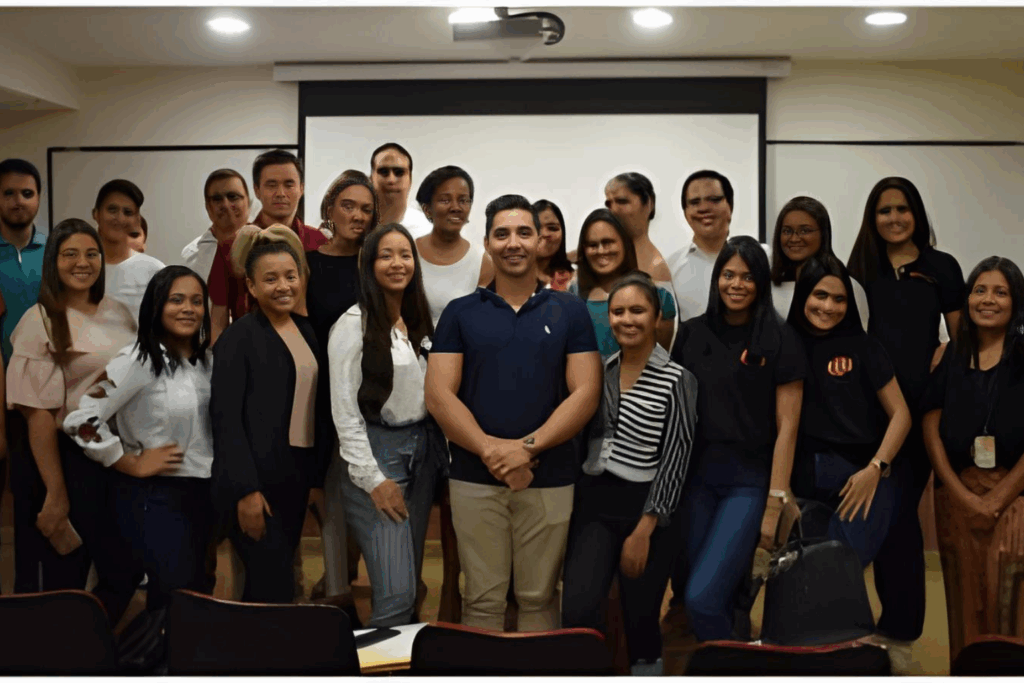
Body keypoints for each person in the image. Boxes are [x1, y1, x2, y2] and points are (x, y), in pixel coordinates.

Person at [425, 194, 602, 631]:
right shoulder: (460, 313)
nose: (513, 242)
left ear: (540, 239)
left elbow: (586, 392)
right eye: (502, 233)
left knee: (539, 596)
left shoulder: (570, 311)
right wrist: (491, 451)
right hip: (473, 476)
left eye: (524, 232)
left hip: (551, 476)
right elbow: (439, 395)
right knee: (482, 599)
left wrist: (527, 449)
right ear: (486, 242)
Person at [847, 176, 965, 643]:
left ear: (915, 213)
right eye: (883, 211)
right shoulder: (857, 269)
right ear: (871, 219)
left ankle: (901, 624)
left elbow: (962, 338)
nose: (893, 219)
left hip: (921, 412)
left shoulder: (942, 266)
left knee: (898, 515)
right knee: (872, 516)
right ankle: (863, 618)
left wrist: (945, 352)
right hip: (863, 412)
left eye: (902, 209)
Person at [561, 271, 698, 676]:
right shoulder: (600, 372)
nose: (626, 320)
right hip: (595, 502)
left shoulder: (679, 380)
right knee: (580, 610)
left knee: (641, 618)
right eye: (618, 312)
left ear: (657, 316)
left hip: (647, 511)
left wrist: (645, 530)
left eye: (637, 310)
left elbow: (676, 459)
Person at [670, 235, 806, 642]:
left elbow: (788, 428)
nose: (736, 284)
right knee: (713, 595)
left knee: (702, 599)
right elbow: (676, 414)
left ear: (760, 283)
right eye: (728, 274)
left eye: (747, 277)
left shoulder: (780, 338)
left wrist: (775, 502)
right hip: (694, 484)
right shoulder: (691, 334)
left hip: (747, 484)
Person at [6, 218, 140, 624]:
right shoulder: (40, 320)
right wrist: (56, 492)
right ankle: (59, 655)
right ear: (53, 262)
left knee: (125, 567)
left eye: (91, 253)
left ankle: (86, 642)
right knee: (68, 574)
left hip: (114, 455)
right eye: (70, 254)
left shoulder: (118, 311)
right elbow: (39, 418)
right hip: (69, 458)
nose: (82, 263)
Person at [63, 265, 215, 611]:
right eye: (176, 300)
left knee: (195, 592)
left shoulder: (206, 362)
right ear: (156, 306)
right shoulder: (137, 359)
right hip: (156, 497)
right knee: (172, 599)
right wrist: (127, 461)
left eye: (196, 300)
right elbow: (80, 419)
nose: (188, 308)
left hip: (202, 494)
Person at [329, 223, 445, 626]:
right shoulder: (352, 325)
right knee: (395, 595)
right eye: (386, 255)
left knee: (410, 588)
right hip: (377, 460)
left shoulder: (417, 320)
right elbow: (344, 411)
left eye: (405, 254)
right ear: (368, 265)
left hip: (421, 453)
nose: (398, 263)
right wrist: (373, 479)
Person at [209, 225, 330, 603]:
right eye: (271, 279)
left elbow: (315, 409)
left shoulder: (306, 330)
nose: (283, 286)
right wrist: (246, 491)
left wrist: (315, 479)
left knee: (278, 583)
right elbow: (225, 420)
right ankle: (255, 660)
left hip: (293, 481)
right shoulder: (238, 338)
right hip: (255, 485)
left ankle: (270, 656)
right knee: (269, 584)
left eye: (291, 276)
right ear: (252, 287)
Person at [922, 256, 1024, 661]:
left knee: (1011, 605)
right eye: (979, 290)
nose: (988, 299)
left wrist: (996, 500)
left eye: (1001, 292)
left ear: (1016, 302)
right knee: (962, 607)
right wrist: (962, 494)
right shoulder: (948, 356)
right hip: (956, 497)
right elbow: (930, 426)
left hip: (1015, 501)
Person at [786, 254, 911, 568]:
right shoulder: (783, 346)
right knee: (804, 571)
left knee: (840, 566)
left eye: (839, 299)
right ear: (803, 295)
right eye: (820, 295)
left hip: (864, 470)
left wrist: (875, 467)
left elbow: (901, 415)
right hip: (801, 472)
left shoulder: (865, 347)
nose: (829, 307)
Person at [306, 169, 376, 606]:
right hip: (322, 392)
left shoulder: (376, 262)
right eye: (348, 205)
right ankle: (337, 594)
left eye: (366, 209)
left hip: (371, 395)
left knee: (368, 492)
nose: (357, 215)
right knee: (329, 492)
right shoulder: (309, 263)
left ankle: (389, 586)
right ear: (330, 208)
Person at [0, 158, 47, 590]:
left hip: (42, 397)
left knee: (36, 498)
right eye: (10, 193)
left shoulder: (56, 250)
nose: (19, 202)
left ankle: (40, 598)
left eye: (27, 193)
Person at [569, 209, 676, 356]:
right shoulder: (573, 294)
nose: (601, 251)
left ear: (625, 243)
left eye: (608, 242)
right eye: (592, 245)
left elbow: (661, 358)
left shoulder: (659, 296)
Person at [770, 196, 869, 330]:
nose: (794, 238)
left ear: (823, 233)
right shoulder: (768, 287)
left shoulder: (848, 285)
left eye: (805, 230)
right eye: (787, 231)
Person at [414, 165, 494, 326]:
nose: (456, 207)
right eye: (445, 200)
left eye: (463, 200)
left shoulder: (482, 262)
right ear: (427, 209)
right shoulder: (408, 252)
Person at [183, 169, 253, 341]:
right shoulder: (192, 255)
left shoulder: (268, 246)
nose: (226, 204)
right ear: (208, 207)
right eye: (217, 199)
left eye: (233, 196)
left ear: (248, 203)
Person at [92, 179, 165, 323]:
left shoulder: (155, 271)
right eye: (112, 210)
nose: (119, 218)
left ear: (137, 220)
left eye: (128, 212)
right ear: (96, 214)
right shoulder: (82, 268)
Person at [603, 172, 676, 300]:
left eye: (622, 201)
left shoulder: (655, 269)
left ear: (649, 204)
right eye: (609, 204)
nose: (613, 210)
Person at [251, 149, 328, 250]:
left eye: (289, 185)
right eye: (271, 185)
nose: (280, 194)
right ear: (257, 191)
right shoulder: (239, 242)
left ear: (301, 189)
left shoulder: (320, 242)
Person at [370, 142, 433, 240]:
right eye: (383, 172)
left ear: (410, 180)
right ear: (371, 179)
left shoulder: (427, 233)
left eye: (399, 172)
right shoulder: (356, 227)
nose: (391, 180)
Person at [532, 199, 574, 291]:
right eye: (537, 227)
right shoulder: (506, 277)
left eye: (552, 228)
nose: (544, 234)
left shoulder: (574, 281)